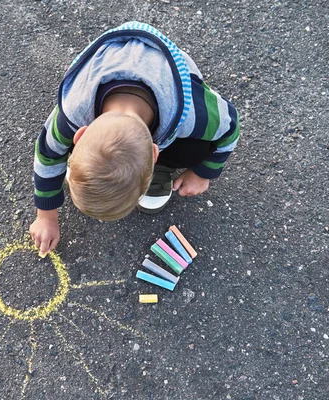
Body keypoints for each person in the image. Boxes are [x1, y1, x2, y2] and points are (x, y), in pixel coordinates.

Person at [29, 22, 240, 256]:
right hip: (110, 61)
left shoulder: (193, 112)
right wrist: (46, 215)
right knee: (58, 145)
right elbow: (47, 155)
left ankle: (158, 169)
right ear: (80, 133)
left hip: (168, 69)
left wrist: (203, 173)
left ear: (155, 151)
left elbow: (230, 127)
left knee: (196, 149)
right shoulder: (72, 111)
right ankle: (96, 163)